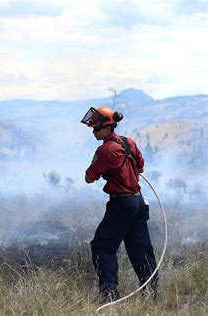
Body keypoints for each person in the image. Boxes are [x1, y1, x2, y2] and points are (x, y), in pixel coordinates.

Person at [80, 106, 158, 301]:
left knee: (102, 247)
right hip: (138, 202)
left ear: (107, 127)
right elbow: (140, 166)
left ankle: (109, 295)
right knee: (140, 248)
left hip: (122, 204)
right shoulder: (128, 142)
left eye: (96, 128)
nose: (94, 131)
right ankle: (151, 293)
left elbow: (89, 178)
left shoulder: (106, 150)